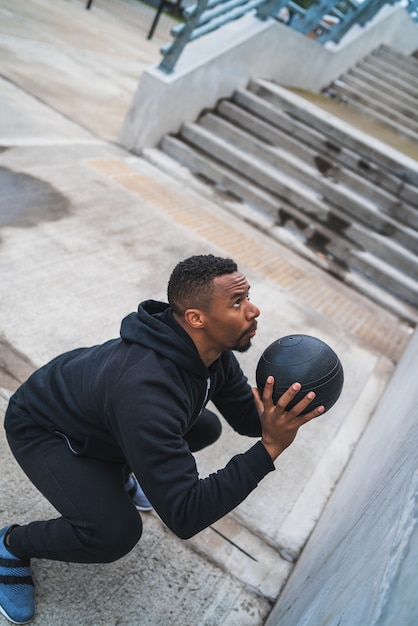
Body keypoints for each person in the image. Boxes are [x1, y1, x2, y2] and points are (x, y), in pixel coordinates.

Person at [0, 254, 324, 624]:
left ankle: (123, 472)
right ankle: (11, 545)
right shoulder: (145, 392)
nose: (253, 310)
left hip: (98, 415)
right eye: (237, 302)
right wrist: (270, 448)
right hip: (45, 428)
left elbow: (247, 418)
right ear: (196, 318)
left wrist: (284, 409)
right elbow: (185, 515)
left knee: (206, 427)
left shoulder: (210, 352)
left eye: (248, 296)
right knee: (113, 532)